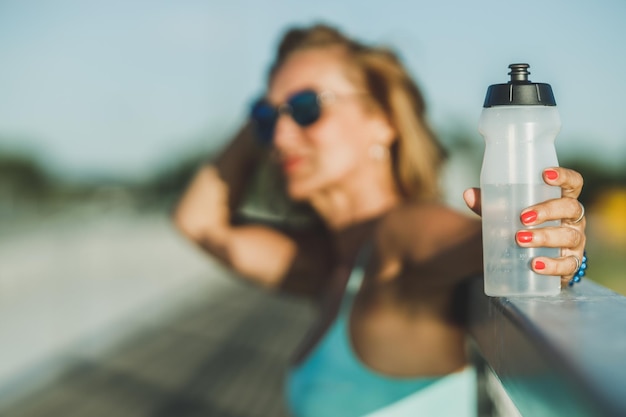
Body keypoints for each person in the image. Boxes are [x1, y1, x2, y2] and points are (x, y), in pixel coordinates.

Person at [173, 24, 587, 417]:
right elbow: (200, 223)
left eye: (305, 107)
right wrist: (271, 108)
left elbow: (487, 242)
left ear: (382, 119)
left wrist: (557, 243)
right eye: (266, 120)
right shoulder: (331, 261)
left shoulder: (403, 234)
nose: (279, 137)